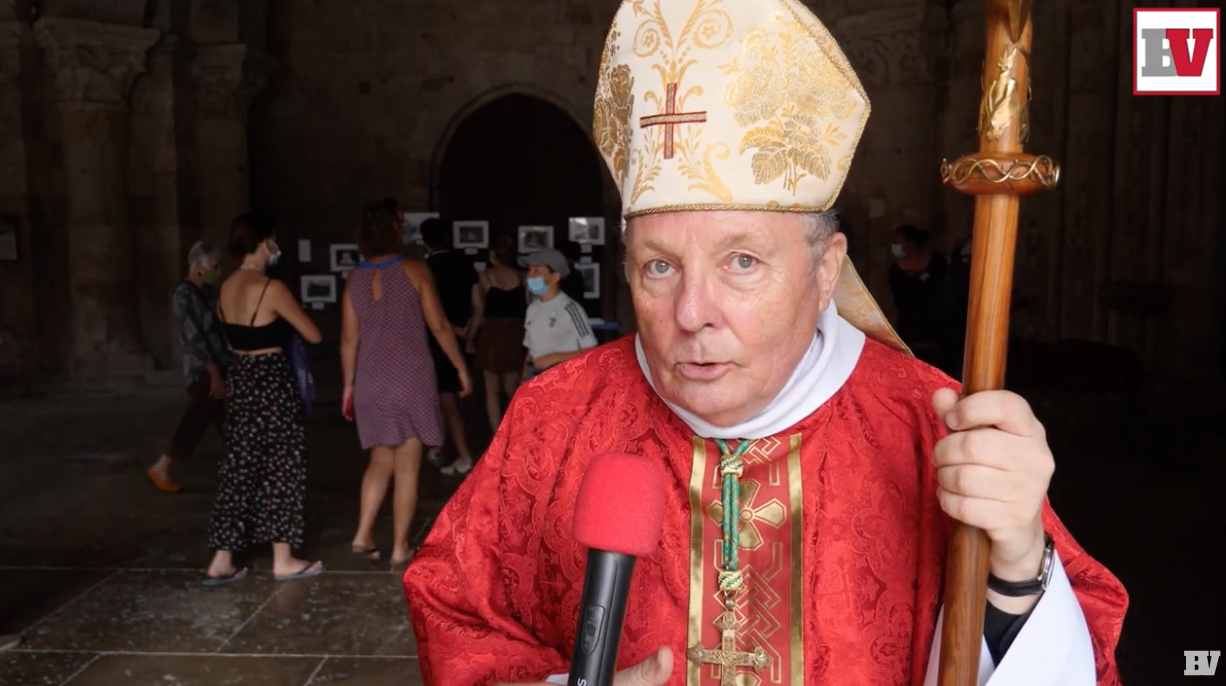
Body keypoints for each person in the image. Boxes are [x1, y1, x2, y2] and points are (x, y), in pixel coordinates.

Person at [403, 2, 1126, 685]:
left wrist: (1018, 568)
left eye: (741, 261)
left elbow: (1077, 650)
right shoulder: (553, 417)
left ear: (825, 271)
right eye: (659, 267)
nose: (692, 313)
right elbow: (455, 612)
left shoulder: (929, 424)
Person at [342, 203, 471, 567]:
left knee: (379, 460)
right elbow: (439, 325)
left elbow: (349, 339)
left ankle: (363, 533)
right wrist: (460, 367)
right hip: (410, 377)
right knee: (408, 467)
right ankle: (400, 547)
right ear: (395, 231)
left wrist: (348, 384)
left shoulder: (355, 278)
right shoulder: (415, 270)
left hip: (370, 378)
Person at [205, 213, 323, 586]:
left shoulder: (225, 287)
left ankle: (221, 559)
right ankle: (283, 557)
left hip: (240, 377)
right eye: (273, 240)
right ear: (264, 242)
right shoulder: (271, 287)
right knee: (282, 465)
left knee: (238, 466)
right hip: (271, 379)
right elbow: (314, 334)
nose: (276, 247)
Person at [147, 241, 231, 493]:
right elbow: (193, 338)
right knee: (198, 418)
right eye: (213, 266)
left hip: (220, 364)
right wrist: (213, 373)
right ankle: (162, 466)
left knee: (226, 421)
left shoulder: (207, 293)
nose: (217, 271)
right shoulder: (184, 296)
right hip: (203, 370)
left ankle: (240, 472)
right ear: (197, 265)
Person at [420, 217, 480, 474]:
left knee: (446, 402)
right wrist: (468, 335)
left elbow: (428, 313)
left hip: (436, 342)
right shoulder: (465, 264)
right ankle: (438, 446)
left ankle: (464, 456)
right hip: (461, 337)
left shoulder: (426, 268)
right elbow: (478, 306)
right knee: (448, 398)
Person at [467, 235, 527, 434]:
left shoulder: (483, 277)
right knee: (512, 388)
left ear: (492, 254)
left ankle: (497, 434)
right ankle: (517, 430)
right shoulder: (523, 277)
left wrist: (469, 339)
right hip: (516, 333)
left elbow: (478, 312)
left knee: (491, 390)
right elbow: (529, 308)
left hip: (492, 334)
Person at [518, 248, 598, 380]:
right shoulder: (532, 308)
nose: (530, 276)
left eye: (536, 271)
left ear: (555, 277)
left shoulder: (570, 308)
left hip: (564, 377)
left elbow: (591, 350)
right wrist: (524, 375)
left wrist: (554, 357)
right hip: (536, 377)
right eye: (529, 270)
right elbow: (531, 349)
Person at [888, 224, 949, 352]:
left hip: (938, 336)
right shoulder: (895, 271)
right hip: (909, 334)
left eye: (897, 242)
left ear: (911, 243)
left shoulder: (938, 263)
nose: (894, 247)